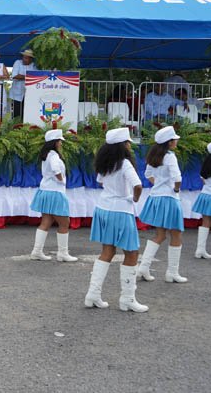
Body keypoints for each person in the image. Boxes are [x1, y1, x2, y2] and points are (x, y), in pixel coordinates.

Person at [84, 127, 148, 312]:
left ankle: (93, 294)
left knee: (107, 251)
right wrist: (134, 199)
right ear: (123, 145)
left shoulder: (106, 162)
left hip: (104, 207)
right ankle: (127, 299)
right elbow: (138, 185)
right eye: (128, 143)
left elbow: (100, 181)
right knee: (132, 253)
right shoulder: (124, 163)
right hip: (121, 210)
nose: (130, 146)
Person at [136, 126, 187, 283]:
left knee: (160, 235)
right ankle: (172, 273)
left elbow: (148, 174)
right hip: (169, 198)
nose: (176, 141)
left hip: (156, 197)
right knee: (176, 234)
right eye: (174, 139)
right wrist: (175, 189)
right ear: (169, 142)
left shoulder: (155, 155)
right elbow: (177, 178)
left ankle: (143, 267)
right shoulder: (170, 157)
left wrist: (158, 184)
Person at [28, 129, 78, 262]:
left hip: (46, 191)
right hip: (55, 192)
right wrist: (61, 180)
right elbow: (56, 170)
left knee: (46, 222)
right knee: (64, 223)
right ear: (54, 142)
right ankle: (63, 253)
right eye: (60, 141)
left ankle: (37, 251)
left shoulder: (47, 155)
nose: (61, 143)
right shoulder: (54, 156)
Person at [9, 49, 36, 120]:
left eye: (26, 58)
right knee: (16, 115)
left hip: (29, 94)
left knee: (27, 114)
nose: (24, 59)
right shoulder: (17, 63)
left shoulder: (34, 65)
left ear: (31, 59)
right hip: (16, 94)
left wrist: (23, 76)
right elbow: (14, 75)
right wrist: (29, 77)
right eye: (24, 57)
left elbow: (36, 77)